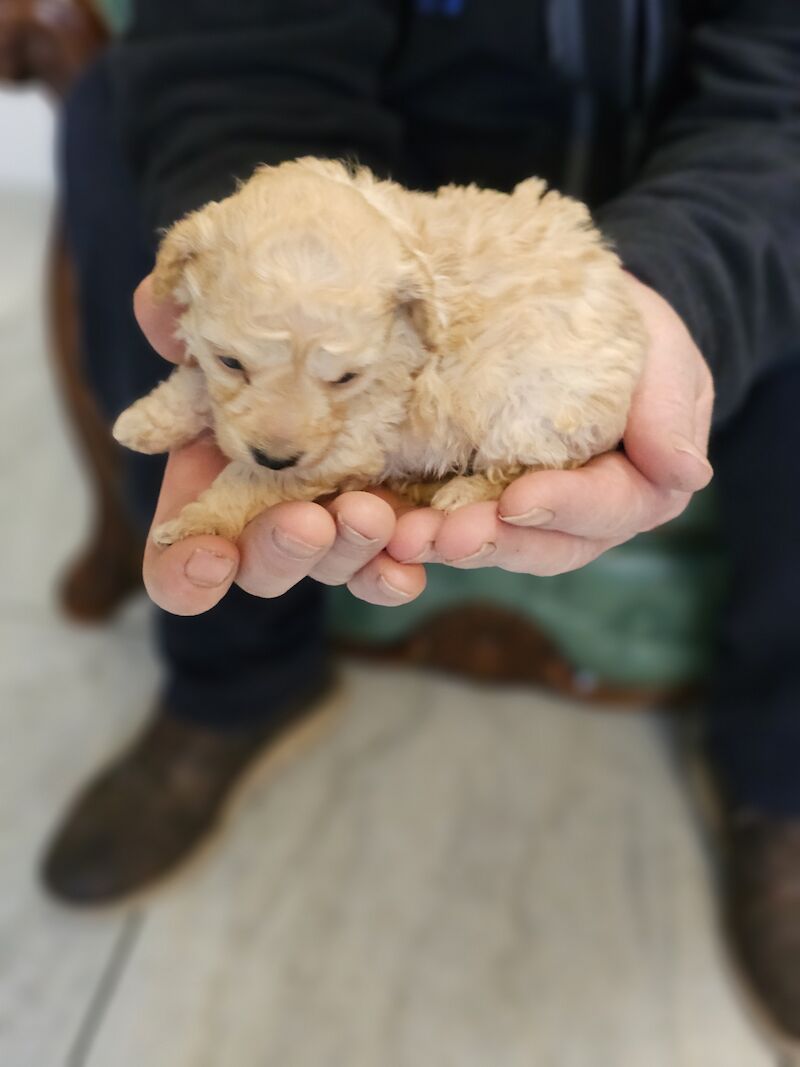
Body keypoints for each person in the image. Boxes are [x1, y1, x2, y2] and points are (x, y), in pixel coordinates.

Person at [39, 0, 800, 1039]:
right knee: (115, 136)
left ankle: (777, 763)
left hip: (702, 158)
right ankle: (235, 678)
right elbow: (233, 45)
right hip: (361, 151)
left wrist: (679, 288)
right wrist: (263, 237)